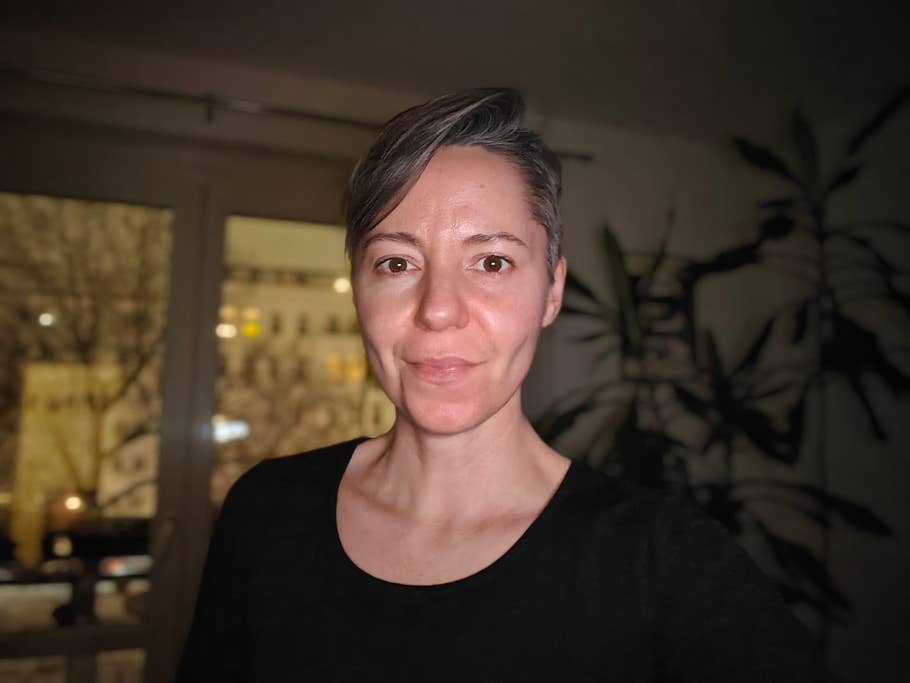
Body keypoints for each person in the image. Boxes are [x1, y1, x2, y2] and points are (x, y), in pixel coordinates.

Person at [177, 88, 829, 682]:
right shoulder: (264, 513)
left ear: (552, 290)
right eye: (397, 262)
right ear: (359, 291)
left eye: (491, 261)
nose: (438, 308)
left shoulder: (665, 562)